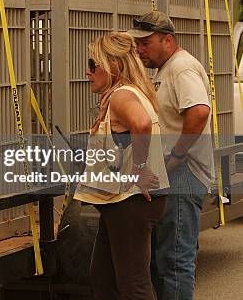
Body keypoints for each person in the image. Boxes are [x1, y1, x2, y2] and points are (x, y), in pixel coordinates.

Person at [74, 31, 169, 300]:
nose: (88, 71)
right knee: (104, 280)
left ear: (114, 65)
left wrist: (139, 168)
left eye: (94, 64)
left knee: (133, 285)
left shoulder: (122, 96)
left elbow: (140, 124)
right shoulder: (127, 93)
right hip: (121, 202)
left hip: (131, 201)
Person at [129, 11, 214, 300]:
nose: (140, 50)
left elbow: (199, 111)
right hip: (172, 175)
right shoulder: (166, 69)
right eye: (137, 44)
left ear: (168, 40)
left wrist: (177, 155)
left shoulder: (181, 68)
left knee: (175, 262)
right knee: (162, 261)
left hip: (183, 176)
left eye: (146, 43)